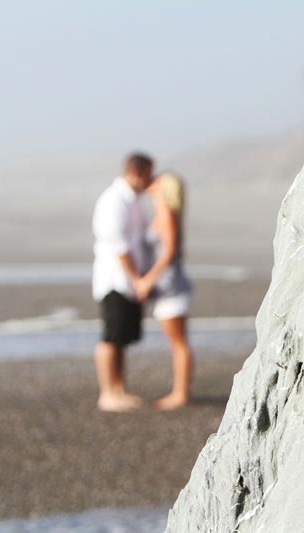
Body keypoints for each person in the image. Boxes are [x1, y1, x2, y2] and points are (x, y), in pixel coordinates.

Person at [91, 152, 154, 412]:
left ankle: (119, 389)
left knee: (121, 338)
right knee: (111, 337)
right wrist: (137, 278)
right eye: (149, 174)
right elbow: (119, 245)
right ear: (137, 172)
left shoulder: (132, 200)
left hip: (127, 279)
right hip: (115, 279)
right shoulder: (114, 201)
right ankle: (107, 392)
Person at [135, 172, 194, 410]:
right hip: (167, 286)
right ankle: (179, 391)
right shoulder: (162, 212)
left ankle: (181, 393)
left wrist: (148, 280)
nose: (153, 181)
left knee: (178, 343)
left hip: (172, 286)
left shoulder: (168, 212)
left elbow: (169, 252)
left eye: (158, 181)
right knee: (177, 342)